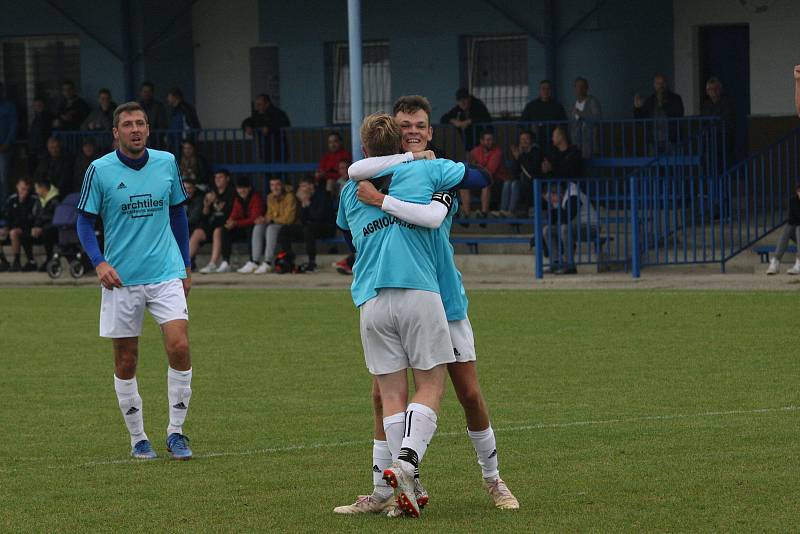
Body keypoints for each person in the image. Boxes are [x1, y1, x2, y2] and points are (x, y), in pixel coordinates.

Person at [335, 96, 517, 516]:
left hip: (443, 299)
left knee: (468, 392)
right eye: (405, 126)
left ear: (430, 131)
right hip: (408, 298)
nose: (412, 131)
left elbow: (476, 181)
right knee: (381, 396)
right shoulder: (388, 175)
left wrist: (384, 198)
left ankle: (494, 480)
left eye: (419, 125)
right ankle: (387, 488)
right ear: (395, 134)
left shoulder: (435, 174)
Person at [337, 112, 466, 518]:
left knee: (389, 394)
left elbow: (347, 231)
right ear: (401, 144)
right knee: (431, 384)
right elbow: (467, 175)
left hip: (371, 299)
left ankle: (396, 491)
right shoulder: (426, 172)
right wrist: (420, 157)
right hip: (418, 290)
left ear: (364, 149)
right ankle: (407, 464)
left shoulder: (349, 192)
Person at [75, 101, 193, 460]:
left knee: (179, 346)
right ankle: (138, 437)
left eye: (141, 123)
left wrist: (185, 265)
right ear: (116, 132)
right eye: (128, 124)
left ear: (148, 129)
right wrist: (99, 263)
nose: (135, 129)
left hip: (165, 273)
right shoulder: (99, 170)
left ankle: (176, 432)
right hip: (121, 280)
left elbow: (178, 215)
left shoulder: (167, 163)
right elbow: (83, 221)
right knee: (126, 359)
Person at [276, 175, 335, 273]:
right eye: (300, 186)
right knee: (285, 230)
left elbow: (319, 217)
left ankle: (312, 263)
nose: (301, 189)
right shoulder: (304, 197)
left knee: (308, 229)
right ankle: (289, 257)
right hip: (309, 227)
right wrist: (303, 205)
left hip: (325, 227)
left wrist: (307, 203)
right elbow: (303, 220)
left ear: (311, 186)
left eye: (304, 186)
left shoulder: (322, 195)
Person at [540, 180, 599, 274]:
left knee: (565, 228)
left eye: (552, 195)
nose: (551, 199)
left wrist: (556, 207)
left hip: (590, 227)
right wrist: (554, 206)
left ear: (557, 192)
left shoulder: (573, 194)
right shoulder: (563, 198)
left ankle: (569, 265)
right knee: (547, 230)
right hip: (576, 227)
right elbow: (552, 221)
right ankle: (556, 263)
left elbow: (567, 217)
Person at [242, 176, 297, 274]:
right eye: (272, 185)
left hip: (288, 226)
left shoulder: (290, 196)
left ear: (282, 185)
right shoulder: (270, 197)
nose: (275, 188)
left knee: (271, 228)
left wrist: (271, 219)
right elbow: (269, 213)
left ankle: (268, 262)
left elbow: (289, 219)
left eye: (277, 185)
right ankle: (255, 261)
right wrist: (263, 219)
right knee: (258, 227)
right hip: (275, 223)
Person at [194, 170, 235, 273]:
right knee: (198, 232)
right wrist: (207, 204)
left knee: (217, 231)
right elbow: (204, 215)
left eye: (220, 177)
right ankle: (183, 266)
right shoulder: (212, 192)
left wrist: (216, 201)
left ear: (227, 179)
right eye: (216, 177)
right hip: (213, 223)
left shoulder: (232, 193)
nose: (217, 180)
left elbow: (229, 212)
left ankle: (212, 264)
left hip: (227, 226)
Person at [222, 175, 264, 270]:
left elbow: (255, 218)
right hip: (242, 226)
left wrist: (236, 223)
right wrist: (230, 221)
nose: (242, 191)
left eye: (244, 188)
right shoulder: (238, 199)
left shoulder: (256, 198)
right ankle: (225, 261)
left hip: (254, 227)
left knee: (251, 230)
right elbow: (234, 214)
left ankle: (252, 260)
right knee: (225, 230)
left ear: (249, 188)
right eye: (239, 188)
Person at [634, 74, 684, 153]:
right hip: (654, 140)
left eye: (662, 83)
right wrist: (637, 108)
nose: (660, 86)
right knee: (655, 164)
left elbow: (679, 113)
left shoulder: (675, 98)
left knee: (673, 163)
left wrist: (663, 104)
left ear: (666, 84)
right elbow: (640, 118)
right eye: (658, 83)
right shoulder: (650, 101)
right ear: (654, 85)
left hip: (671, 139)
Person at [464, 130, 508, 219]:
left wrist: (477, 166)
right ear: (481, 141)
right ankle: (466, 214)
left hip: (496, 183)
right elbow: (470, 167)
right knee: (464, 186)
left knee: (485, 184)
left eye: (491, 140)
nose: (490, 142)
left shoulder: (497, 152)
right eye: (487, 140)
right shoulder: (475, 151)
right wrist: (477, 167)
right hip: (479, 179)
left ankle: (484, 213)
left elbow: (490, 171)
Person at [2, 178, 38, 272]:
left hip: (27, 229)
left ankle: (17, 261)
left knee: (14, 233)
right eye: (22, 189)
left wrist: (22, 203)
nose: (24, 192)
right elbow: (7, 216)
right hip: (12, 227)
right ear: (17, 187)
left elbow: (32, 218)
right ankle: (4, 261)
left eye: (27, 189)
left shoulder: (33, 200)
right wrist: (5, 227)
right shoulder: (12, 199)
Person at [241, 94, 290, 162]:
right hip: (266, 151)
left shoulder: (278, 113)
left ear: (267, 104)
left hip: (279, 150)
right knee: (269, 170)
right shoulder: (258, 115)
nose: (257, 107)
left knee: (279, 170)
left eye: (259, 104)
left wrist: (269, 128)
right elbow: (249, 121)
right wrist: (247, 126)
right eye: (257, 105)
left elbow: (284, 123)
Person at [700, 77, 736, 165]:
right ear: (707, 91)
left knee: (724, 160)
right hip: (709, 137)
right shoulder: (706, 104)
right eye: (710, 89)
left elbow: (726, 118)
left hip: (724, 136)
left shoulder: (727, 102)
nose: (713, 91)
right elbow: (704, 119)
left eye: (716, 88)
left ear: (720, 90)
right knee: (710, 160)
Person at [766, 184, 800, 275]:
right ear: (797, 192)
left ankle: (799, 262)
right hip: (796, 231)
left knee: (799, 228)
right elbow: (791, 219)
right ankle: (776, 261)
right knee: (788, 228)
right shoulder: (793, 201)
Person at [520, 80, 567, 144]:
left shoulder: (557, 106)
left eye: (548, 89)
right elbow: (521, 122)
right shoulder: (531, 106)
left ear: (550, 91)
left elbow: (564, 122)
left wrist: (557, 131)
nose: (545, 91)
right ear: (539, 90)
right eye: (543, 88)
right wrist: (530, 128)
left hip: (553, 142)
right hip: (535, 140)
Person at [509, 130, 542, 215]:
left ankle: (511, 212)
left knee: (515, 184)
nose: (524, 141)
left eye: (526, 139)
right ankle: (503, 210)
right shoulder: (520, 153)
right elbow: (514, 172)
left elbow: (531, 169)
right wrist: (516, 158)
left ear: (531, 141)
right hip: (522, 181)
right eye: (522, 139)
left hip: (532, 182)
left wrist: (520, 156)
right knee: (507, 184)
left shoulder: (535, 151)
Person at [569, 77, 602, 159]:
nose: (580, 89)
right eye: (577, 86)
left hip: (591, 145)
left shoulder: (592, 101)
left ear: (587, 88)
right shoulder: (573, 104)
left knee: (591, 169)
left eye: (582, 86)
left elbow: (597, 119)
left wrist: (581, 114)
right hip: (576, 145)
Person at [31, 177, 61, 270]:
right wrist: (36, 227)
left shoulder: (55, 201)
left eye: (37, 188)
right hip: (42, 228)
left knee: (47, 231)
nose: (35, 191)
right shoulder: (39, 201)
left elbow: (56, 218)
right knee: (25, 233)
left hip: (54, 230)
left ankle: (49, 259)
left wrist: (41, 228)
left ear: (43, 188)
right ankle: (30, 261)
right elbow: (37, 217)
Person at [0, 82, 17, 209]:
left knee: (4, 181)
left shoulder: (9, 106)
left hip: (4, 149)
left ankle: (5, 210)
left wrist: (7, 143)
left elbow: (13, 126)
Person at [26, 97, 54, 175]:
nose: (38, 107)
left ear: (44, 105)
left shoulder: (48, 116)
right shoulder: (36, 118)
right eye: (36, 105)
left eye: (40, 105)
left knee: (42, 172)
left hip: (44, 149)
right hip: (34, 150)